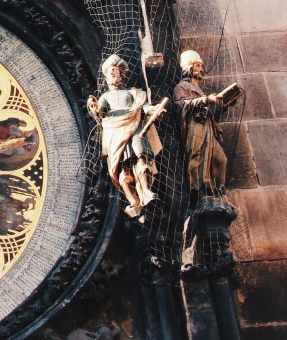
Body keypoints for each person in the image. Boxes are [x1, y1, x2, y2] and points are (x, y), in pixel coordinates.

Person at [87, 54, 166, 218]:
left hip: (133, 124)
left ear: (121, 74)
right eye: (110, 72)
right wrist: (94, 107)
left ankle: (146, 191)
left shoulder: (132, 93)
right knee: (122, 165)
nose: (113, 74)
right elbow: (99, 112)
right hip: (115, 131)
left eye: (115, 71)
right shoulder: (105, 97)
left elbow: (143, 106)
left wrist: (154, 109)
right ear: (106, 77)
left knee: (141, 155)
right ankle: (133, 200)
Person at [174, 50, 240, 198]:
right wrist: (205, 100)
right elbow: (180, 104)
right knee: (196, 154)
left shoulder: (198, 89)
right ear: (189, 68)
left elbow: (211, 114)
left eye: (201, 66)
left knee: (220, 158)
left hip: (208, 126)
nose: (201, 69)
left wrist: (226, 104)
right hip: (194, 124)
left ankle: (216, 189)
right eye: (197, 66)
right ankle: (197, 190)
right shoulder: (181, 87)